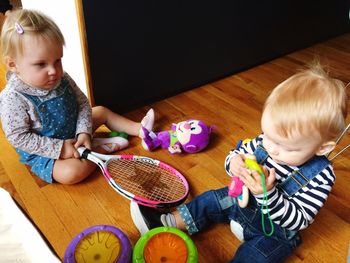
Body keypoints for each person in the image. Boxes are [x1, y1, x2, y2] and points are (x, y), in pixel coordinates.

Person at [130, 64, 348, 262]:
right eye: (268, 135)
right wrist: (234, 161)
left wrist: (267, 194)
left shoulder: (321, 175)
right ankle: (168, 222)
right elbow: (237, 153)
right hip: (239, 202)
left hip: (273, 232)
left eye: (287, 147)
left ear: (323, 147)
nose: (271, 148)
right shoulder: (266, 142)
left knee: (260, 255)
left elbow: (298, 220)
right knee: (210, 199)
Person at [0, 9, 155, 185]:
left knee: (101, 111)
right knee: (70, 174)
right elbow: (18, 137)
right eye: (41, 64)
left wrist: (83, 131)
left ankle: (140, 129)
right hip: (45, 151)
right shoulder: (13, 98)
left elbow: (82, 103)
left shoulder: (62, 78)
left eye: (57, 60)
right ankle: (100, 149)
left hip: (74, 130)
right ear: (13, 64)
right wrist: (59, 149)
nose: (53, 71)